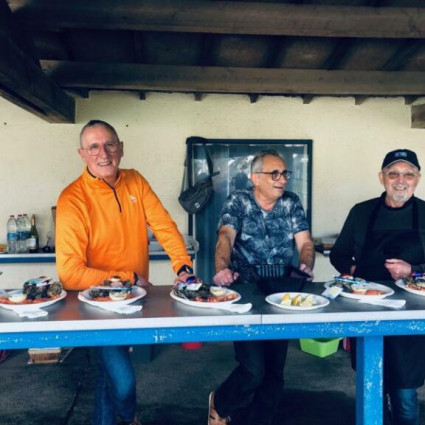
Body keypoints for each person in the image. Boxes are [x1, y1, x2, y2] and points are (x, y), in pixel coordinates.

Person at [56, 120, 196, 425]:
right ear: (82, 154)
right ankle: (130, 417)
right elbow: (69, 274)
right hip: (95, 307)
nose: (103, 153)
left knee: (109, 377)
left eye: (109, 144)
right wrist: (127, 277)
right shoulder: (72, 198)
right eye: (94, 147)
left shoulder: (135, 181)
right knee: (122, 380)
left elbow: (164, 226)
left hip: (133, 301)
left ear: (121, 148)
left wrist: (183, 267)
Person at [208, 149, 315, 425]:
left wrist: (305, 264)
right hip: (246, 292)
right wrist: (221, 268)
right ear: (255, 178)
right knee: (253, 370)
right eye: (274, 173)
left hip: (281, 292)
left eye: (284, 173)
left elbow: (305, 242)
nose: (282, 179)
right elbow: (225, 237)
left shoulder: (291, 202)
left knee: (274, 374)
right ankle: (220, 403)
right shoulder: (239, 201)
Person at [330, 148, 425, 425]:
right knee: (372, 386)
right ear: (382, 177)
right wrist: (353, 271)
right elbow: (339, 253)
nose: (401, 180)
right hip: (368, 308)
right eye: (393, 173)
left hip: (412, 315)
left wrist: (412, 270)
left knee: (405, 393)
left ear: (417, 179)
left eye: (408, 174)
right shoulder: (361, 212)